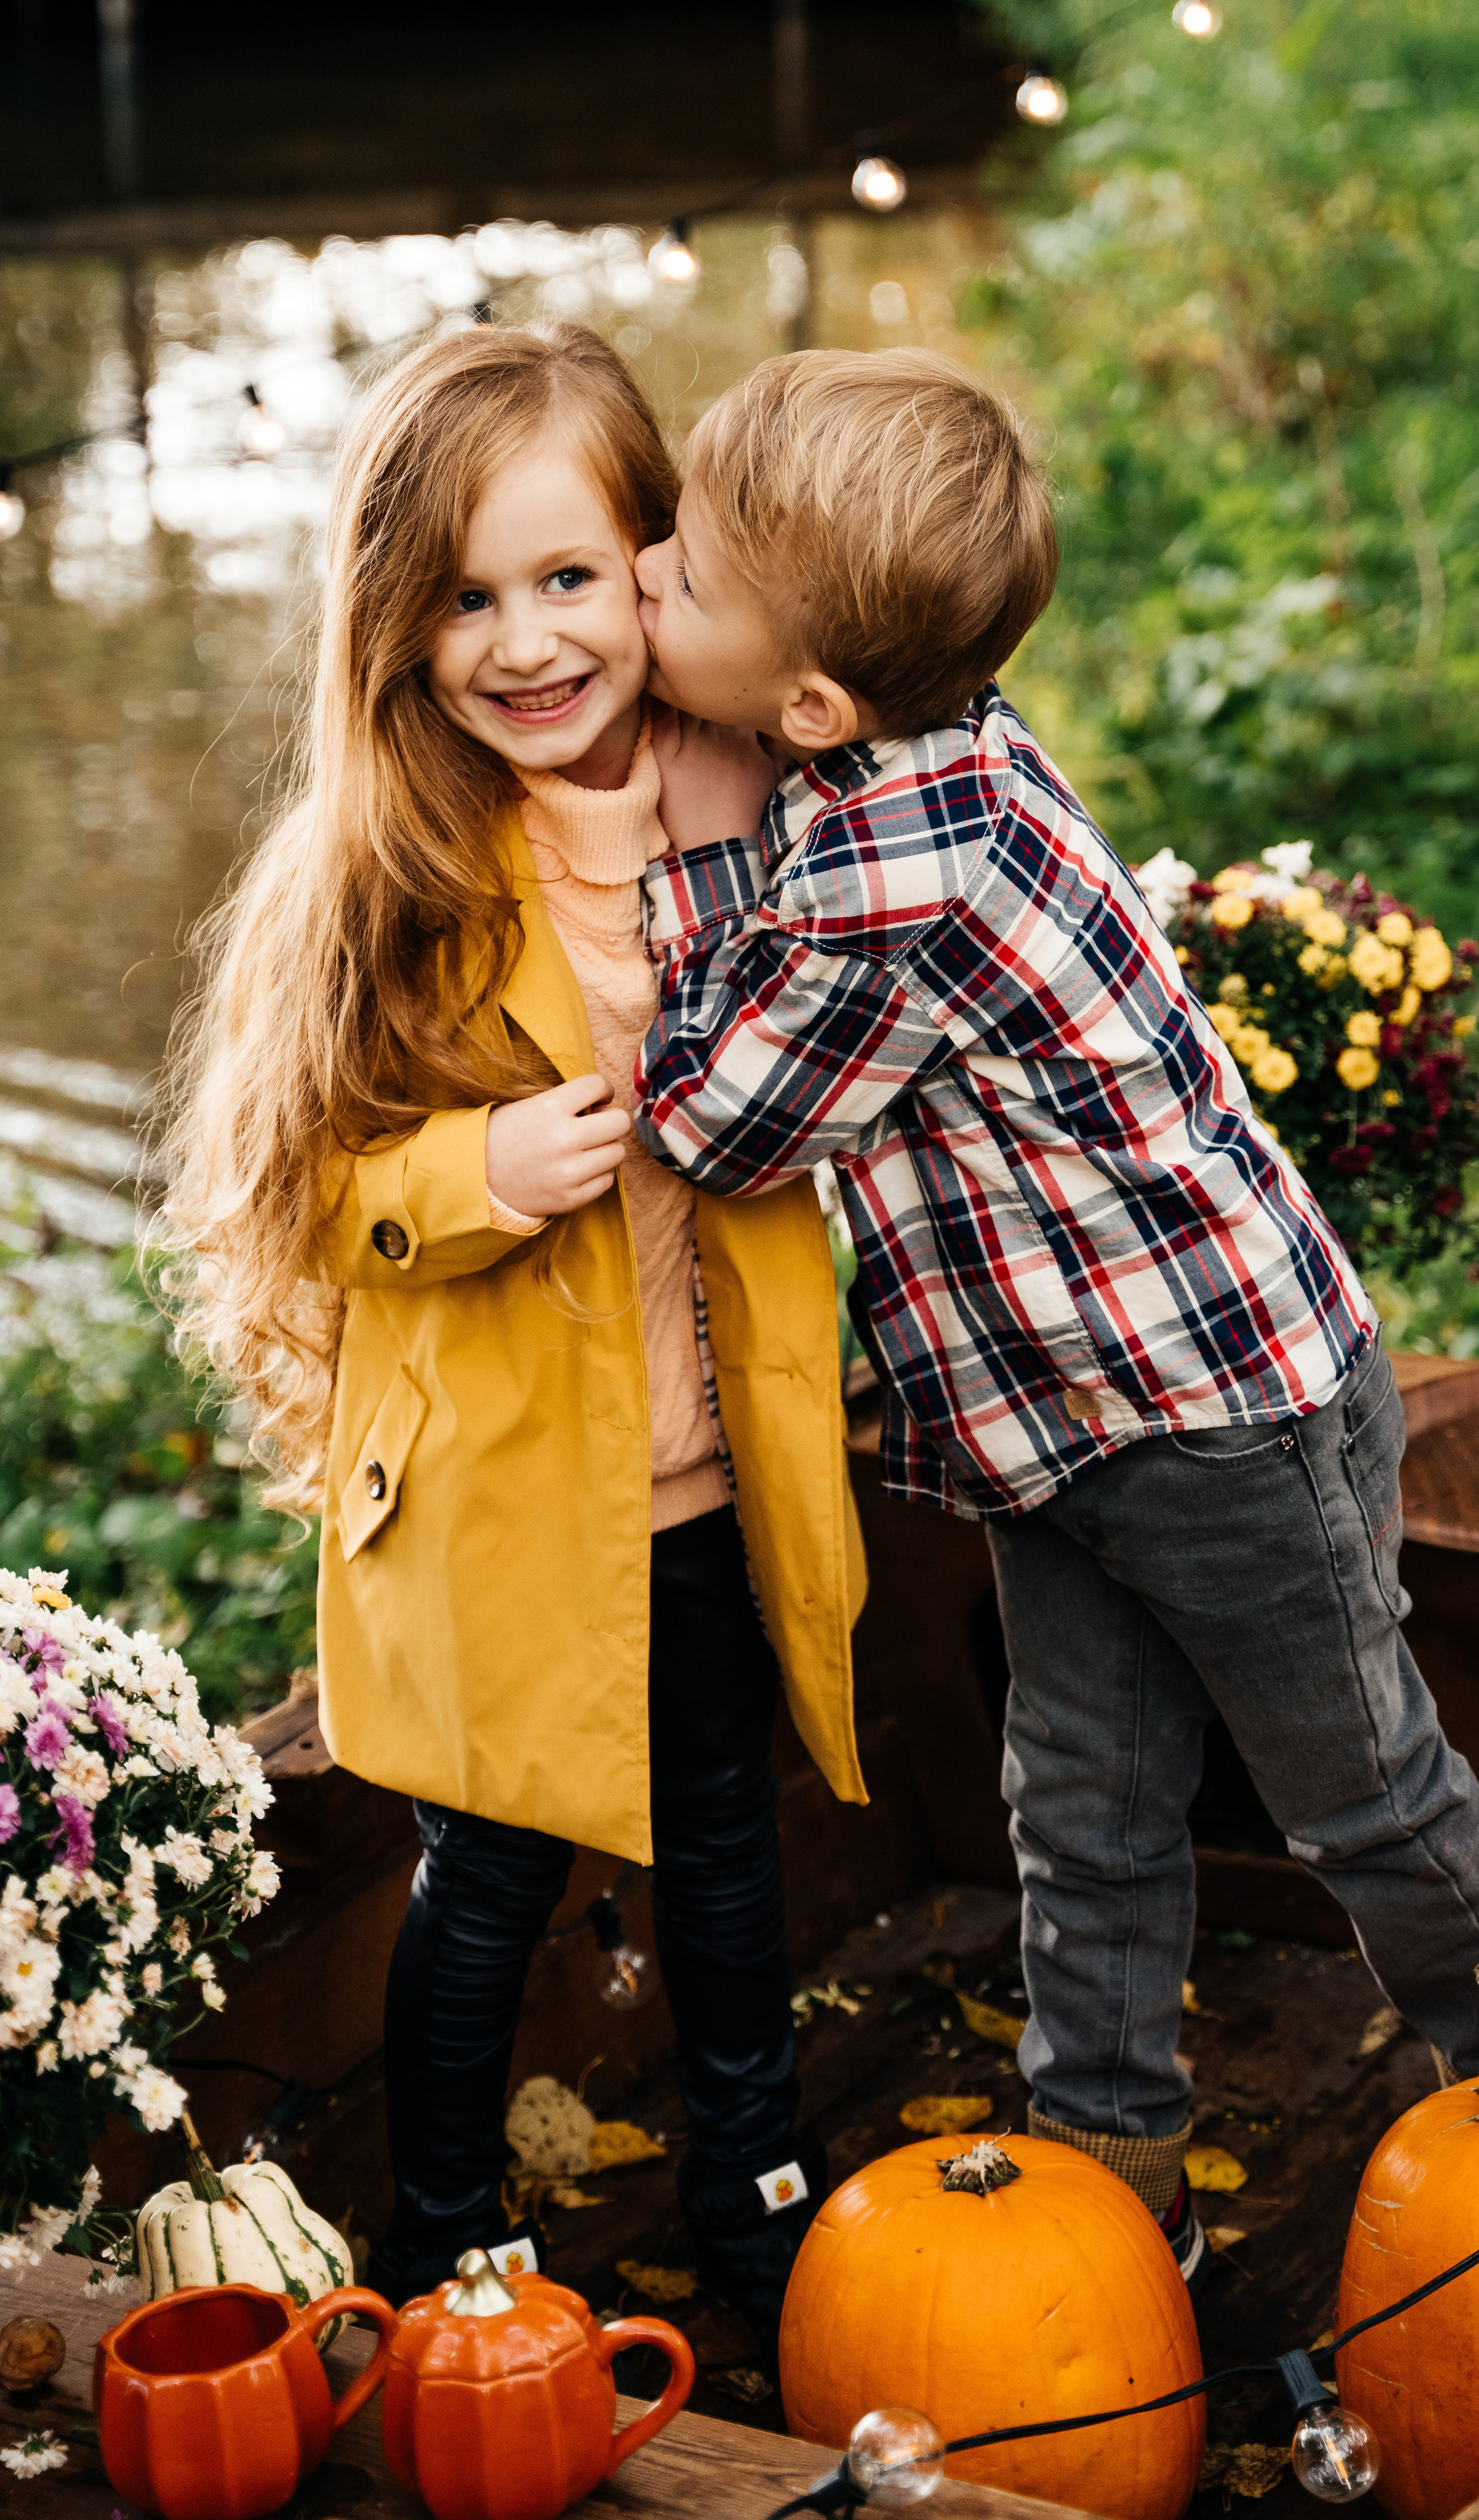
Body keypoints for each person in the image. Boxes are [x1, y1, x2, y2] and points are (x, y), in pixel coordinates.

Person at [630, 347, 1479, 2288]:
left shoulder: (886, 875)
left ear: (810, 705)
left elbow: (714, 1121)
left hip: (1219, 1426)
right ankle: (1110, 2161)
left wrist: (692, 852)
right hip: (1073, 1428)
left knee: (1363, 1790)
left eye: (685, 573)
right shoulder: (925, 740)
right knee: (1081, 1795)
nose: (645, 574)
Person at [161, 326, 866, 2336]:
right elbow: (293, 1191)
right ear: (395, 621)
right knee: (486, 1881)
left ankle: (757, 2206)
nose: (528, 642)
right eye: (467, 598)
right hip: (497, 1505)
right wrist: (475, 1170)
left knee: (725, 1849)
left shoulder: (764, 803)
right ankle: (450, 2235)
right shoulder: (389, 865)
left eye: (569, 576)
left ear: (660, 565)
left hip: (711, 1474)